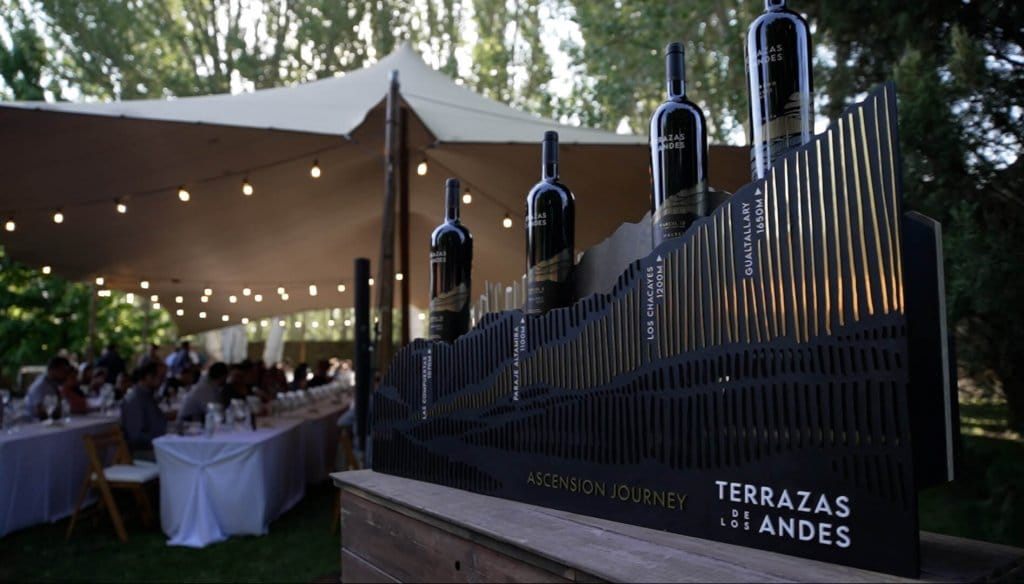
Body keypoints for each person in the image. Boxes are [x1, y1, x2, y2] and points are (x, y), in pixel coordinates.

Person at [120, 362, 167, 460]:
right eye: (161, 377)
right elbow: (136, 437)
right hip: (143, 453)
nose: (163, 381)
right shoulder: (135, 400)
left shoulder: (147, 396)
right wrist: (163, 439)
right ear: (149, 377)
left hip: (157, 447)